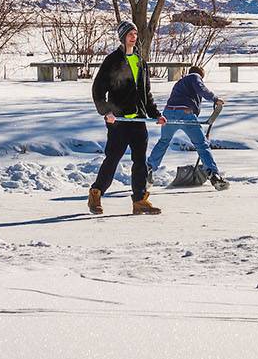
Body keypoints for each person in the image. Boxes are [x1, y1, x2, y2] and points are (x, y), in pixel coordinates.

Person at [89, 21, 166, 215]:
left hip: (138, 120)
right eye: (130, 33)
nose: (134, 36)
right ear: (122, 36)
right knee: (113, 158)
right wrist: (106, 111)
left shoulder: (141, 61)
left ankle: (139, 200)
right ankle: (96, 193)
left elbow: (145, 93)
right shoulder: (112, 60)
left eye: (135, 33)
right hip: (119, 121)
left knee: (140, 161)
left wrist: (155, 114)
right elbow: (98, 89)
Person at [147, 65, 228, 191]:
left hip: (168, 112)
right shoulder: (195, 77)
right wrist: (215, 99)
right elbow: (202, 89)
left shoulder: (181, 82)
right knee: (201, 145)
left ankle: (149, 169)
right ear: (200, 75)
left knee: (164, 141)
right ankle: (214, 175)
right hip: (185, 113)